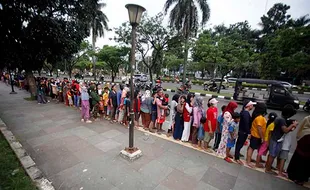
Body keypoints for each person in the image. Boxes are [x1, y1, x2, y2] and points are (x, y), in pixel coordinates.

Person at [265, 107, 298, 175]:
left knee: (272, 155)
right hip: (275, 140)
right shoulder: (282, 120)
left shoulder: (279, 119)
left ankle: (268, 167)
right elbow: (285, 130)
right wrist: (293, 125)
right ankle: (268, 169)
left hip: (274, 138)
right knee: (272, 155)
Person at [287, 116, 310, 185]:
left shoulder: (305, 129)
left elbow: (299, 133)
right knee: (305, 165)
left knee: (297, 161)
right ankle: (302, 179)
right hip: (308, 153)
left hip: (300, 149)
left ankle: (293, 175)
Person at [234, 100, 256, 165]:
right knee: (239, 144)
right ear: (249, 106)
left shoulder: (245, 112)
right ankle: (236, 158)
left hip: (242, 131)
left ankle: (237, 155)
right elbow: (246, 124)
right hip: (243, 132)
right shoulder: (246, 113)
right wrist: (249, 133)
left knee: (239, 144)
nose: (253, 106)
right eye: (252, 105)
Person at [246, 102, 267, 168]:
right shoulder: (259, 118)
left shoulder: (257, 116)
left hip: (255, 135)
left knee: (251, 147)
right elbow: (259, 128)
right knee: (251, 148)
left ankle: (249, 159)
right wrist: (262, 137)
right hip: (256, 136)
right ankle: (248, 161)